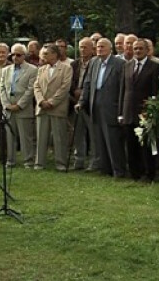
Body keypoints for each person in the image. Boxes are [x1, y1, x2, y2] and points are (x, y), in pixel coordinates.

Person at [79, 38, 127, 178]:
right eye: (98, 47)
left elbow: (122, 87)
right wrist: (82, 101)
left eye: (102, 47)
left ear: (110, 49)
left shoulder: (119, 64)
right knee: (99, 139)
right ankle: (105, 169)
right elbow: (87, 83)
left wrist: (120, 109)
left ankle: (118, 170)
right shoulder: (94, 62)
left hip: (111, 105)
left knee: (113, 140)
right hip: (96, 104)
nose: (99, 49)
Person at [120, 38, 159, 182]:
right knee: (131, 144)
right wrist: (121, 112)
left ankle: (149, 173)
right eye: (135, 48)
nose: (137, 51)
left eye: (140, 48)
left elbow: (155, 91)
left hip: (145, 112)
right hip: (128, 111)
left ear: (147, 50)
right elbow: (122, 90)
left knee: (147, 145)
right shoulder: (127, 66)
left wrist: (151, 112)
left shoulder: (154, 67)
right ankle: (134, 173)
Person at [33, 44, 73, 170]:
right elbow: (36, 86)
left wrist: (52, 102)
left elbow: (65, 87)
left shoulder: (66, 68)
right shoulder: (41, 69)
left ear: (54, 54)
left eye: (45, 54)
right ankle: (39, 163)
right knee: (41, 137)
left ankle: (61, 163)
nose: (42, 56)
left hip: (57, 107)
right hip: (42, 108)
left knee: (59, 137)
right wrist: (41, 101)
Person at [0, 44, 38, 168]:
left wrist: (20, 105)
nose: (15, 57)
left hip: (23, 108)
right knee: (10, 135)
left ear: (24, 56)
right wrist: (6, 104)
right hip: (8, 107)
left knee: (25, 136)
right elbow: (2, 88)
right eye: (13, 54)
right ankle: (10, 160)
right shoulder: (6, 70)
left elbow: (30, 89)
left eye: (18, 55)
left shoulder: (32, 69)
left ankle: (28, 160)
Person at [71, 37, 96, 170]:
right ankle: (78, 160)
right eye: (81, 47)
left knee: (92, 134)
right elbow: (70, 81)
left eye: (85, 47)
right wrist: (74, 92)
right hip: (75, 103)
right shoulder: (74, 64)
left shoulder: (95, 63)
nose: (82, 49)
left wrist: (84, 95)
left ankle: (94, 161)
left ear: (92, 49)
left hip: (90, 104)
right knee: (78, 134)